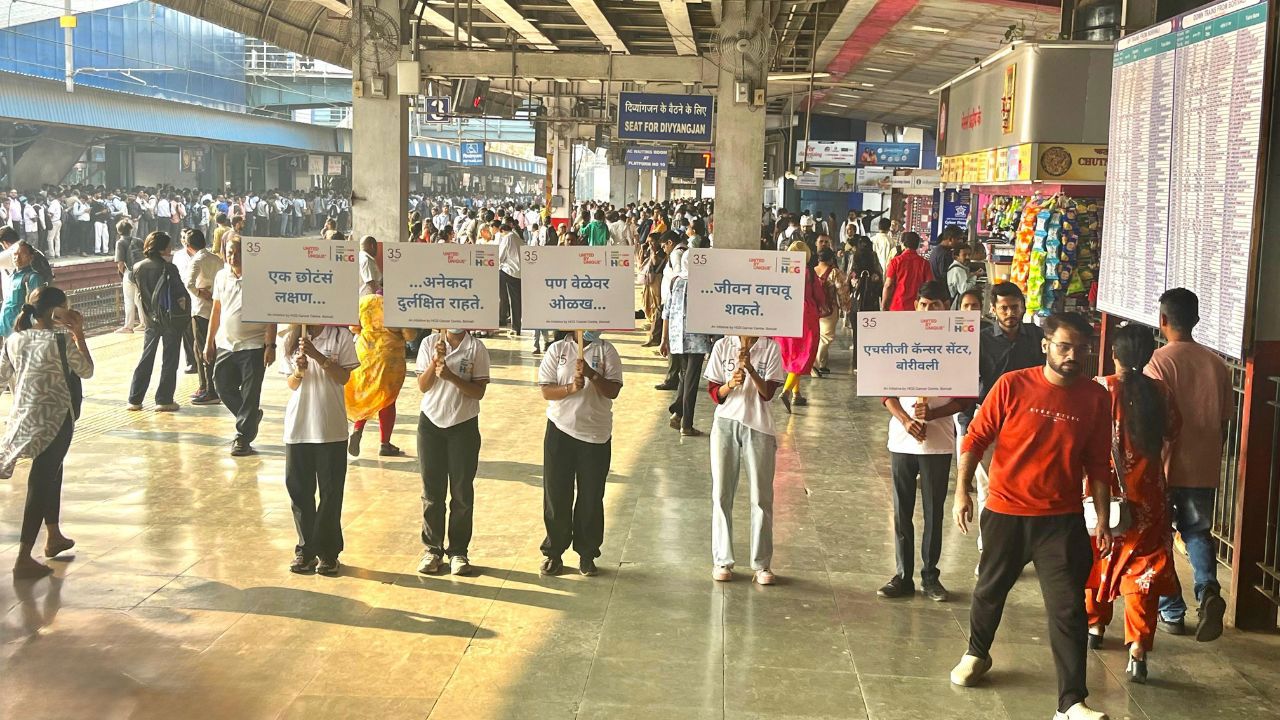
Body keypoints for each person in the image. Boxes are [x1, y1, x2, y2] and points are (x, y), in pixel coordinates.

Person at [951, 312, 1114, 720]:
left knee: (1068, 608)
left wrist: (1103, 519)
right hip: (1006, 511)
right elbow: (975, 438)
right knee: (990, 590)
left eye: (1080, 349)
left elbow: (1098, 463)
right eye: (1064, 346)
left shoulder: (1096, 398)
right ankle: (977, 653)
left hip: (1061, 520)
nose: (1072, 355)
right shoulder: (1012, 385)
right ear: (1045, 345)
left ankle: (1071, 703)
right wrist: (962, 491)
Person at [1086, 323, 1180, 684]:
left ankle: (1095, 626)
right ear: (1149, 355)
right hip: (1149, 495)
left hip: (1102, 492)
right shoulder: (1161, 392)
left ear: (1114, 354)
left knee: (1099, 554)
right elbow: (1173, 430)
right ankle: (1138, 649)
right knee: (1144, 569)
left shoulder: (1099, 389)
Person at [1145, 288, 1232, 641]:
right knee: (1197, 532)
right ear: (1196, 319)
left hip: (1165, 466)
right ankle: (1208, 590)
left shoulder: (1157, 362)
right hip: (1203, 466)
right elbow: (1224, 420)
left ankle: (1171, 610)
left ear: (1162, 320)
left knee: (1160, 535)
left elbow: (1151, 420)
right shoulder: (1217, 364)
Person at [879, 282, 964, 602]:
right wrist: (905, 419)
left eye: (935, 306)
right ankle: (902, 576)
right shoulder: (898, 339)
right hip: (902, 441)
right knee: (902, 511)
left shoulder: (958, 345)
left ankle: (930, 576)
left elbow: (965, 397)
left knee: (933, 511)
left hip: (938, 441)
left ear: (946, 306)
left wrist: (934, 412)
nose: (929, 311)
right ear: (916, 306)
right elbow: (884, 389)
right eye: (924, 305)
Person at [1, 287, 93, 578]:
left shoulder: (14, 339)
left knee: (53, 471)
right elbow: (87, 370)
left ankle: (53, 535)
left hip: (24, 417)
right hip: (56, 419)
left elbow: (1, 377)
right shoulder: (61, 341)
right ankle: (23, 557)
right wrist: (79, 334)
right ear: (56, 312)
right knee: (41, 480)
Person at [960, 282, 1045, 560]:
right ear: (993, 310)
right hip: (989, 422)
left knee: (1026, 486)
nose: (1010, 313)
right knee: (988, 488)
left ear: (1023, 307)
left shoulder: (1037, 337)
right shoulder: (980, 340)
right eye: (1004, 308)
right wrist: (967, 422)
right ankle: (989, 550)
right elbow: (967, 382)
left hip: (1030, 424)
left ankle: (1021, 550)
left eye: (1015, 307)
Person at [537, 331, 624, 577]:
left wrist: (592, 374)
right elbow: (546, 391)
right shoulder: (557, 349)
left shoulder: (607, 351)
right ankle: (554, 552)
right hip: (560, 429)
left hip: (595, 434)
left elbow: (613, 391)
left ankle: (587, 553)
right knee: (556, 494)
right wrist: (570, 388)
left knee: (591, 496)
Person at [705, 334, 785, 584]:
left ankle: (762, 564)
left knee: (761, 496)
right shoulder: (722, 345)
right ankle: (722, 559)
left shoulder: (771, 347)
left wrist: (750, 369)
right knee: (721, 494)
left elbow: (767, 393)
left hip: (759, 426)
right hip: (725, 423)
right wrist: (731, 383)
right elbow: (715, 393)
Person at [282, 325, 359, 576]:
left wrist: (317, 356)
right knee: (299, 491)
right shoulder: (291, 338)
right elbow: (291, 384)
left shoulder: (340, 336)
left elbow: (343, 377)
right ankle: (306, 550)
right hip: (299, 426)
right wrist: (298, 371)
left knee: (330, 493)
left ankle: (328, 552)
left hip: (330, 427)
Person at [415, 329, 491, 576]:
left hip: (463, 424)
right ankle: (433, 550)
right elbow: (423, 386)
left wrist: (450, 376)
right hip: (430, 424)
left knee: (461, 492)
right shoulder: (429, 342)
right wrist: (435, 363)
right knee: (432, 491)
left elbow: (478, 392)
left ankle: (458, 551)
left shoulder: (476, 348)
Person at [206, 238, 278, 456]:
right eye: (229, 252)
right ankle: (250, 417)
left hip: (254, 344)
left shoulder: (260, 278)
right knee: (221, 385)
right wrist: (209, 342)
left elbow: (271, 313)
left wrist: (270, 345)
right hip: (225, 344)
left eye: (237, 252)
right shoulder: (221, 276)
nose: (233, 257)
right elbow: (216, 310)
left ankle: (242, 438)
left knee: (250, 393)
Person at [127, 231, 189, 412]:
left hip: (150, 319)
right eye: (168, 245)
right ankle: (164, 399)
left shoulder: (137, 267)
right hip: (170, 319)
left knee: (146, 357)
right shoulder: (169, 268)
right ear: (162, 248)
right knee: (170, 359)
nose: (171, 248)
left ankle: (135, 399)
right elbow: (180, 293)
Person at [345, 294, 413, 457]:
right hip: (389, 358)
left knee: (366, 395)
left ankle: (358, 428)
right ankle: (385, 443)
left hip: (365, 354)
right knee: (387, 400)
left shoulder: (365, 301)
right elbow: (409, 335)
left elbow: (353, 328)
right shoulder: (400, 303)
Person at [661, 245, 713, 437]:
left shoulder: (675, 282)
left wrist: (664, 339)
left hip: (678, 338)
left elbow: (666, 312)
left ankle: (678, 413)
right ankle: (687, 425)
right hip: (697, 339)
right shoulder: (703, 284)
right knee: (691, 381)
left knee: (685, 376)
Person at [775, 240, 824, 412]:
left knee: (793, 353)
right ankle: (787, 391)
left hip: (786, 312)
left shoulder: (782, 271)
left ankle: (796, 394)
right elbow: (819, 294)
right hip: (806, 314)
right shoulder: (809, 272)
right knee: (804, 353)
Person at [182, 229, 224, 406]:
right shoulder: (217, 259)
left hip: (201, 310)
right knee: (202, 348)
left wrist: (200, 293)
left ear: (188, 245)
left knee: (203, 349)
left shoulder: (196, 260)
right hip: (217, 308)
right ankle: (204, 385)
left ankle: (210, 390)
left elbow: (188, 283)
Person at [0, 242, 47, 338]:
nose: (17, 257)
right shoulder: (11, 277)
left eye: (22, 254)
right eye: (15, 254)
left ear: (31, 257)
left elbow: (38, 306)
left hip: (21, 332)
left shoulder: (33, 278)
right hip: (5, 330)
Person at [813, 247, 848, 375]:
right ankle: (815, 364)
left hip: (813, 308)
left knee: (818, 336)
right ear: (831, 259)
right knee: (826, 337)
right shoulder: (835, 273)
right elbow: (842, 292)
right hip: (829, 309)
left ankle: (823, 364)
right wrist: (845, 307)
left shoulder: (812, 271)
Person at [881, 232, 932, 311]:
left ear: (903, 244)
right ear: (917, 245)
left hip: (898, 306)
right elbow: (929, 285)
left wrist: (884, 305)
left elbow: (888, 285)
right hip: (917, 307)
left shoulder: (895, 262)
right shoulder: (924, 263)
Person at [114, 220, 147, 334]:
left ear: (118, 231)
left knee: (129, 299)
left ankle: (128, 326)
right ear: (130, 230)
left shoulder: (120, 242)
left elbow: (120, 263)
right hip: (141, 272)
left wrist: (124, 274)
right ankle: (144, 323)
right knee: (139, 299)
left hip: (129, 272)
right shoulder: (139, 241)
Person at [497, 220, 523, 337]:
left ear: (502, 231)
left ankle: (502, 318)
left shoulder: (507, 238)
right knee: (516, 301)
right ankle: (516, 327)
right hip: (519, 273)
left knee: (504, 298)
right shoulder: (518, 238)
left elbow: (500, 257)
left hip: (508, 271)